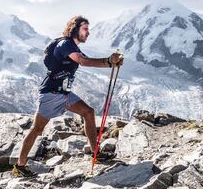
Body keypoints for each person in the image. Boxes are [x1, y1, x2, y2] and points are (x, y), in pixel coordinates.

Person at [13, 15, 124, 177]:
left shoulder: (72, 46)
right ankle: (19, 166)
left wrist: (111, 63)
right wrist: (108, 61)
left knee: (88, 112)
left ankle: (96, 153)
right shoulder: (65, 44)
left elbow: (85, 59)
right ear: (75, 29)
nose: (88, 32)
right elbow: (83, 61)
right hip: (51, 93)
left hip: (64, 93)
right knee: (37, 129)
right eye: (85, 29)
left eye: (88, 29)